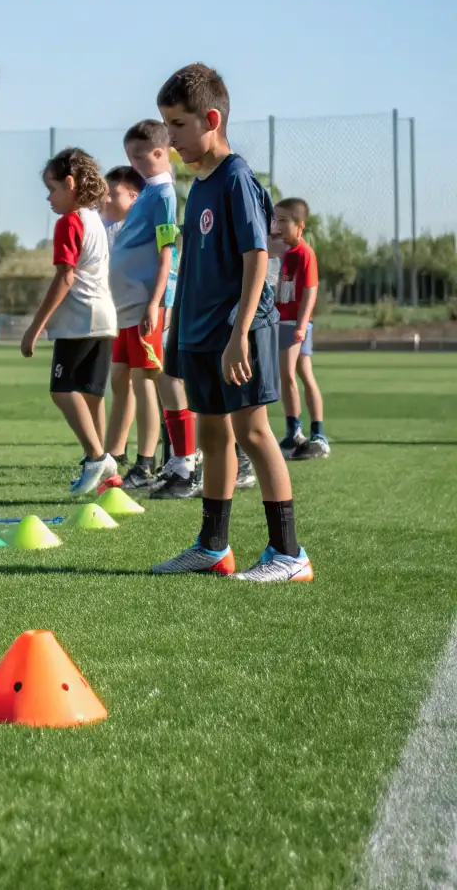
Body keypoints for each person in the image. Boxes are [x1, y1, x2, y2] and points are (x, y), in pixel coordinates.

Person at [150, 64, 313, 583]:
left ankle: (289, 554)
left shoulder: (237, 179)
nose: (170, 138)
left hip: (236, 330)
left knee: (253, 431)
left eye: (177, 125)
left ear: (211, 118)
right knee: (214, 436)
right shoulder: (198, 183)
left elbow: (257, 257)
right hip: (198, 331)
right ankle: (213, 548)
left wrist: (240, 332)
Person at [21, 147, 118, 496]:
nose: (49, 198)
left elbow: (65, 277)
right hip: (104, 317)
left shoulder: (70, 222)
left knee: (62, 391)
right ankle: (106, 477)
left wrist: (35, 327)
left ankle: (97, 457)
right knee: (92, 395)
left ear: (71, 183)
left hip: (80, 320)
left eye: (52, 189)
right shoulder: (94, 218)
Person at [117, 120, 202, 500]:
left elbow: (168, 250)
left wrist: (155, 301)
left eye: (138, 155)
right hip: (132, 306)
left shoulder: (164, 194)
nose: (133, 163)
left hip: (151, 305)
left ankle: (179, 461)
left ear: (159, 152)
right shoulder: (150, 192)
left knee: (164, 381)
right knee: (153, 381)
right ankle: (175, 461)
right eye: (129, 156)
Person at [271, 198, 328, 459]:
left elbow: (310, 291)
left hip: (294, 324)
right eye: (276, 219)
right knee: (302, 374)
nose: (277, 225)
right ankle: (308, 432)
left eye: (283, 220)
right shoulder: (284, 252)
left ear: (300, 226)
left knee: (288, 375)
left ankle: (300, 432)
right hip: (284, 321)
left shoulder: (305, 253)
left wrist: (302, 326)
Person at [99, 165, 143, 480]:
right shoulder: (104, 226)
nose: (106, 198)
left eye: (112, 192)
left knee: (150, 384)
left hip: (144, 316)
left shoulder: (142, 227)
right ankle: (115, 451)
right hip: (118, 316)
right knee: (119, 381)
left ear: (134, 197)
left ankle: (162, 454)